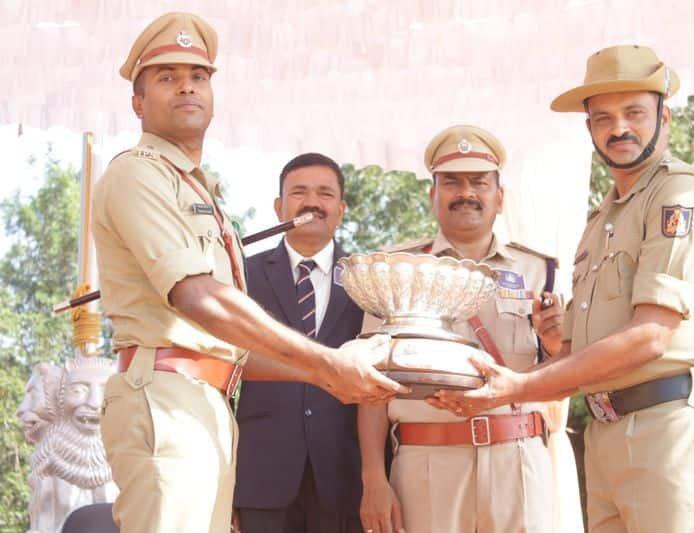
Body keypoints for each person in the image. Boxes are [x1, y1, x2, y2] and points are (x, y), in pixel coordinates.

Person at [91, 12, 404, 532]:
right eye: (167, 77)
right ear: (138, 102)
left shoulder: (196, 191)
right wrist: (329, 364)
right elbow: (200, 299)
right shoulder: (138, 173)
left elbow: (234, 349)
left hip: (206, 401)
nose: (186, 87)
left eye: (199, 77)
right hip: (167, 400)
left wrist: (335, 373)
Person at [432, 45, 694, 532]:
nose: (619, 128)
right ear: (589, 129)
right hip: (605, 433)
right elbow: (576, 351)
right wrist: (509, 374)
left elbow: (650, 337)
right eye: (603, 118)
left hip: (672, 428)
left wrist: (516, 388)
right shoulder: (601, 221)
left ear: (665, 118)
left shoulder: (681, 197)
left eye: (635, 113)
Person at [358, 124, 572, 533]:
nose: (466, 193)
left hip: (519, 462)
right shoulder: (397, 269)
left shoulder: (538, 270)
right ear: (432, 195)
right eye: (451, 182)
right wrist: (373, 478)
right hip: (428, 463)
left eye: (479, 182)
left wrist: (555, 343)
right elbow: (370, 386)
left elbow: (563, 375)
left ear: (500, 197)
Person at [233, 153, 364, 533]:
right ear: (279, 207)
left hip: (344, 477)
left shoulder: (366, 280)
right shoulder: (241, 276)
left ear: (340, 209)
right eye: (299, 192)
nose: (312, 202)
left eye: (325, 194)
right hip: (259, 481)